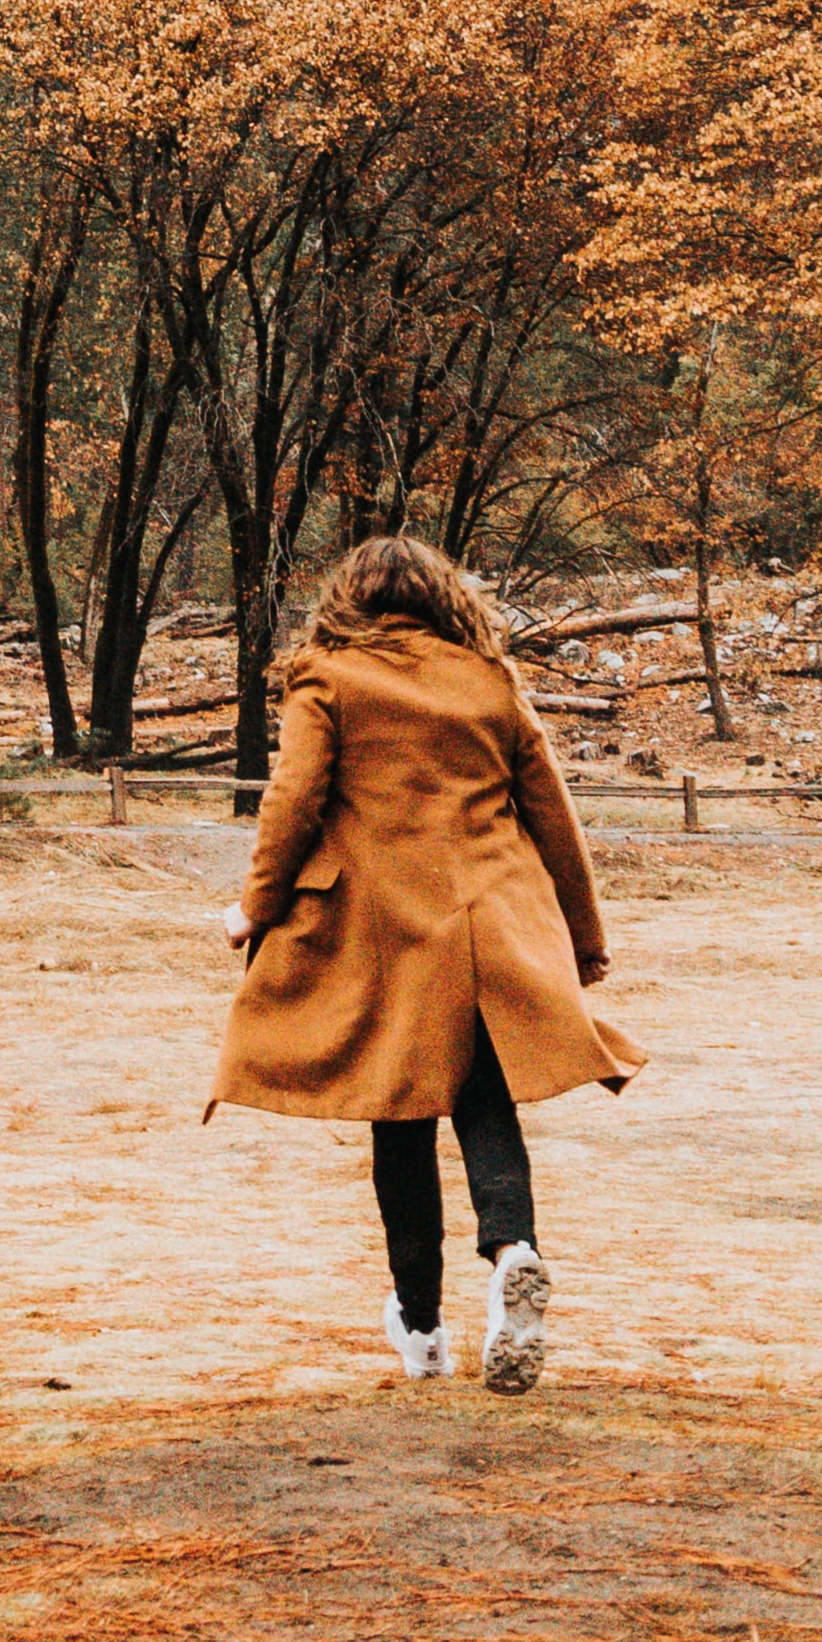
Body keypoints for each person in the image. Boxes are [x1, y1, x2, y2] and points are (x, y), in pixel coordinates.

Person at [208, 532, 637, 1390]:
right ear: (445, 597)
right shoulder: (488, 680)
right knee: (484, 1104)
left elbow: (292, 803)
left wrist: (253, 909)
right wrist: (585, 939)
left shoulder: (328, 677)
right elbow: (553, 814)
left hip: (385, 931)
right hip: (488, 926)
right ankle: (514, 1249)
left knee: (398, 1123)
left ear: (350, 601)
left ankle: (425, 1330)